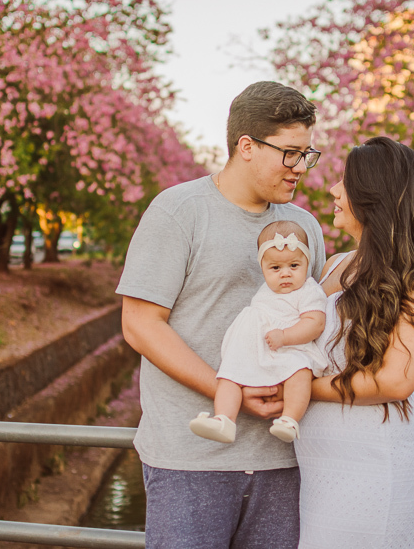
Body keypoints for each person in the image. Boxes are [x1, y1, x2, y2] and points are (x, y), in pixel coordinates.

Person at [117, 81, 325, 549]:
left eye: (307, 155)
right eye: (290, 153)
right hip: (191, 458)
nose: (300, 168)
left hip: (284, 461)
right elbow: (139, 324)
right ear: (246, 146)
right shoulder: (179, 211)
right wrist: (229, 391)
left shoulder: (305, 226)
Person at [295, 137, 414, 548]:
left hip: (376, 471)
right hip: (320, 474)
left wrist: (298, 391)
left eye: (345, 182)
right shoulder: (334, 265)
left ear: (373, 197)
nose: (333, 190)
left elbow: (397, 381)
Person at [189, 220, 328, 445]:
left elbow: (315, 323)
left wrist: (285, 336)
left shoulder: (308, 290)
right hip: (255, 348)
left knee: (300, 371)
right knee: (230, 375)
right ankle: (224, 419)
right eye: (275, 268)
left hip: (290, 347)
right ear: (262, 268)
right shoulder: (266, 289)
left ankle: (290, 419)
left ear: (307, 263)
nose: (285, 274)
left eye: (294, 266)